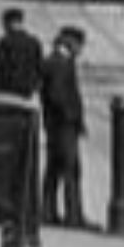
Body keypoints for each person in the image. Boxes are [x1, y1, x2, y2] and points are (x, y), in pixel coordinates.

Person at [39, 26, 89, 228]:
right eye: (80, 46)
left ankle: (48, 212)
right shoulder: (60, 64)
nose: (80, 51)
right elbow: (58, 95)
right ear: (71, 43)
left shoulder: (54, 61)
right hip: (63, 127)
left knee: (54, 169)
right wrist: (73, 118)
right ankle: (73, 216)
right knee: (71, 170)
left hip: (55, 125)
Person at [0, 7, 45, 99]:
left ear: (8, 23)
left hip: (7, 89)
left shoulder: (4, 42)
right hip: (27, 89)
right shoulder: (33, 42)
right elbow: (40, 66)